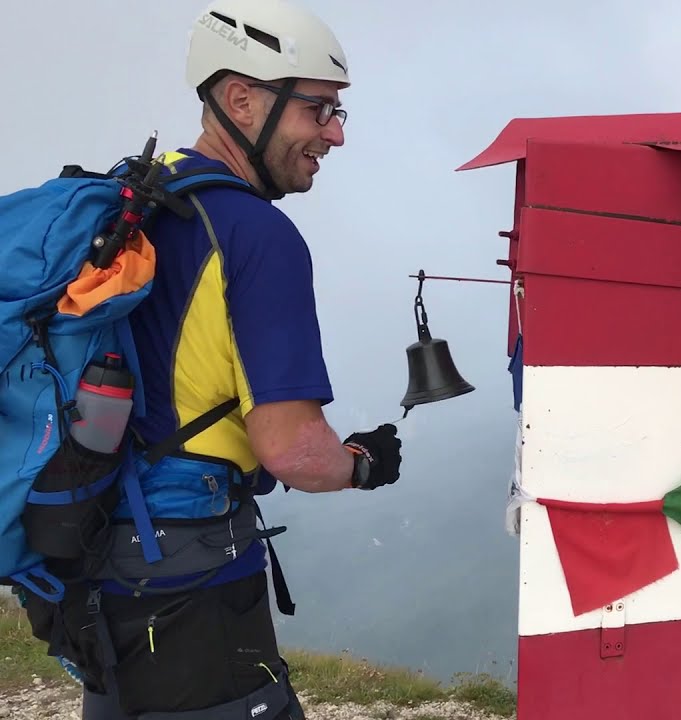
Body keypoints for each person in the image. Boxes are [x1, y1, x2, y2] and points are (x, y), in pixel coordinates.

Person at [20, 0, 403, 718]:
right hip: (192, 581)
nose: (336, 134)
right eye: (318, 109)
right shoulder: (258, 237)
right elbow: (292, 452)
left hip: (95, 561)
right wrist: (364, 462)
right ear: (240, 99)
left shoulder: (134, 202)